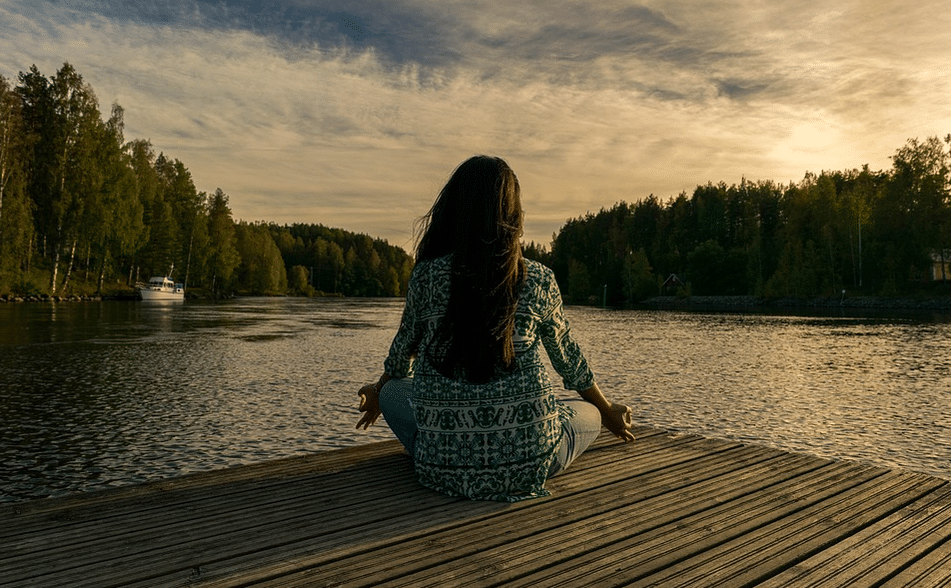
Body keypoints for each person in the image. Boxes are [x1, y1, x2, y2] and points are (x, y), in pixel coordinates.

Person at [356, 155, 634, 502]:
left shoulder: (426, 276)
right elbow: (569, 361)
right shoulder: (539, 278)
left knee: (395, 391)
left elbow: (400, 358)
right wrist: (608, 412)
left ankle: (442, 448)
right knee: (587, 412)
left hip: (442, 468)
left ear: (454, 210)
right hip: (531, 463)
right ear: (513, 215)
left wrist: (380, 390)